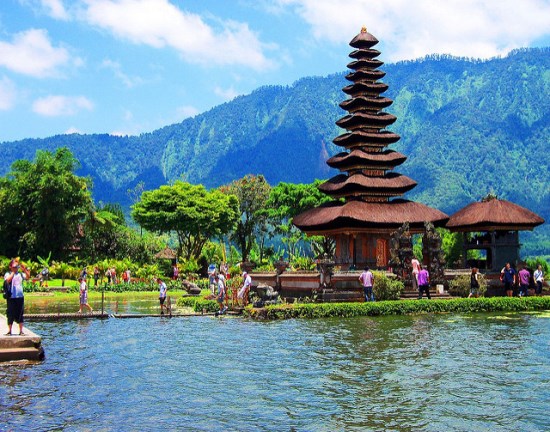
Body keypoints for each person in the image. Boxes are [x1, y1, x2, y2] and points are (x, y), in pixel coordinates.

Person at [4, 259, 30, 336]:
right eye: (15, 266)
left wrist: (24, 269)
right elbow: (8, 280)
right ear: (10, 267)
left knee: (20, 314)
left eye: (17, 266)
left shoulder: (20, 274)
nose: (16, 268)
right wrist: (13, 272)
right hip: (11, 297)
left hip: (20, 297)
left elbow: (28, 277)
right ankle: (9, 331)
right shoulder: (8, 274)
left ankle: (21, 331)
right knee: (10, 313)